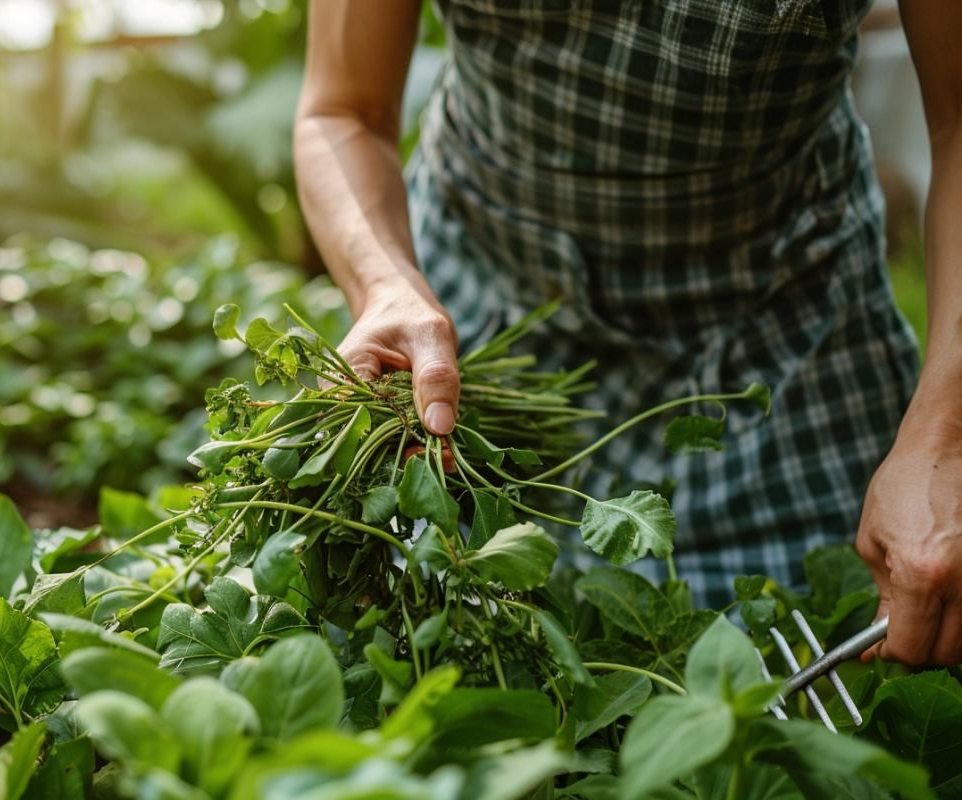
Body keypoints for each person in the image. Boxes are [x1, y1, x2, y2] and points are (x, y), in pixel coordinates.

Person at [293, 0, 961, 665]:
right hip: (476, 337)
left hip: (785, 342)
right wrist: (385, 284)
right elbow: (343, 109)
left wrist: (946, 434)